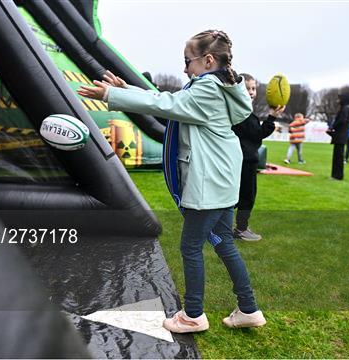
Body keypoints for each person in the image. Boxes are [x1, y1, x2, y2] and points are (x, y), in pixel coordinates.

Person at [78, 30, 265, 332]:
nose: (184, 68)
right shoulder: (217, 86)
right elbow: (170, 100)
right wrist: (127, 89)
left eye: (187, 61)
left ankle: (193, 315)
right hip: (221, 181)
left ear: (207, 59)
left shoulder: (207, 89)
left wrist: (112, 95)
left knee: (191, 247)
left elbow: (166, 105)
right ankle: (248, 308)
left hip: (209, 184)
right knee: (225, 245)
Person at [231, 73, 285, 241]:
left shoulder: (241, 109)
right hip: (245, 161)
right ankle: (241, 229)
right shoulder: (243, 112)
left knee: (235, 196)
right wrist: (272, 117)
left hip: (240, 159)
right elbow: (258, 134)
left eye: (254, 88)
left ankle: (223, 227)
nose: (252, 92)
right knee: (247, 196)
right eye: (247, 88)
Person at [327, 93, 349, 180]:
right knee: (337, 156)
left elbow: (342, 120)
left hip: (340, 136)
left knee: (338, 156)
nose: (338, 100)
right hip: (340, 135)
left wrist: (332, 127)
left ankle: (337, 176)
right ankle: (335, 175)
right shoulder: (345, 108)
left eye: (339, 99)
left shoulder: (345, 108)